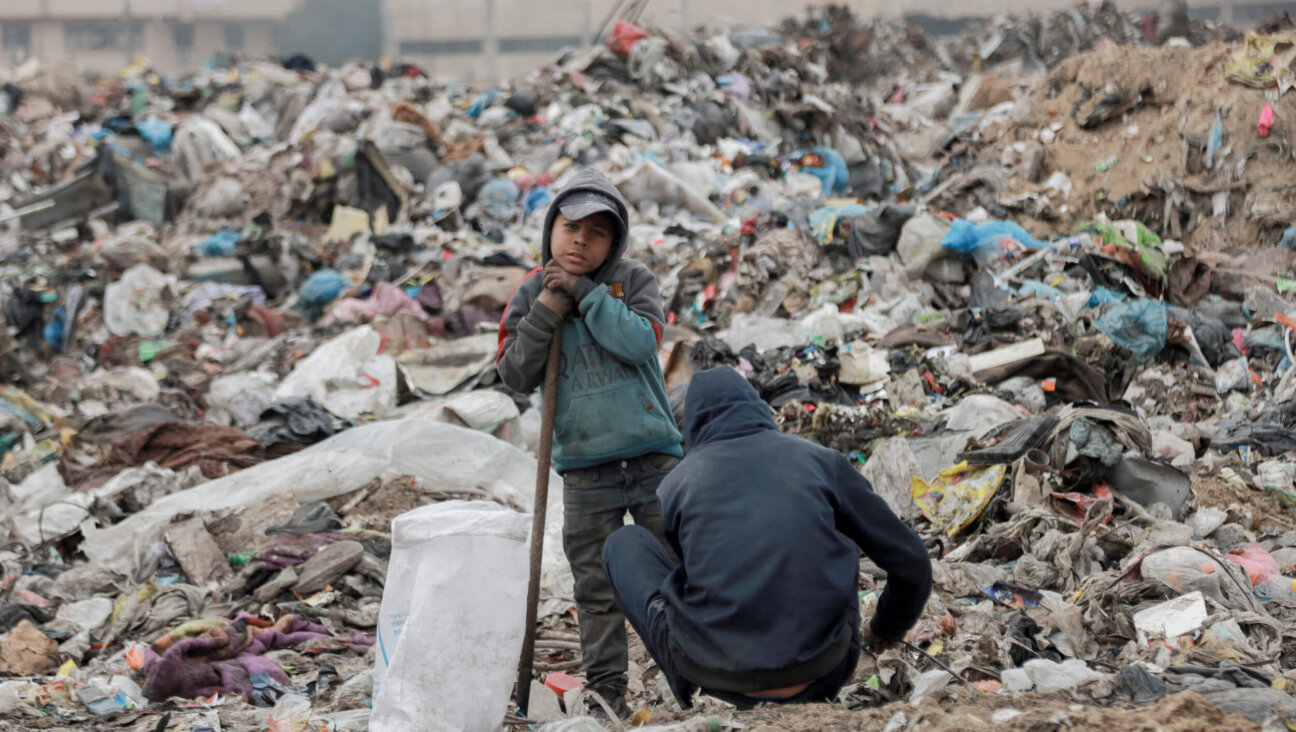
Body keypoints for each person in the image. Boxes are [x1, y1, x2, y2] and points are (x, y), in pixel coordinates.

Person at [601, 366, 933, 710]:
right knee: (837, 539)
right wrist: (885, 629)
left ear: (691, 426)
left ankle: (701, 692)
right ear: (757, 406)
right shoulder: (819, 461)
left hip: (713, 687)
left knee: (623, 543)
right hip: (823, 675)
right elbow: (913, 563)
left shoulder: (677, 485)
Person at [497, 168, 683, 718]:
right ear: (551, 227)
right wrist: (549, 310)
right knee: (596, 590)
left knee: (681, 570)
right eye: (570, 226)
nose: (580, 239)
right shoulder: (531, 291)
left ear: (615, 241)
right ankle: (608, 697)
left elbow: (639, 344)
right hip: (584, 471)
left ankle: (703, 672)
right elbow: (513, 374)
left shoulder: (633, 280)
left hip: (654, 460)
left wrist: (584, 293)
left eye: (597, 232)